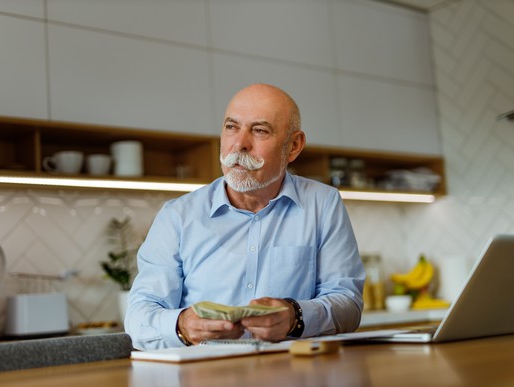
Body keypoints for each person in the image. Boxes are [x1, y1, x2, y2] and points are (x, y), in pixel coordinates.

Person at [126, 84, 365, 350]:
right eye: (231, 127)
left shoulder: (323, 203)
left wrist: (294, 317)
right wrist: (181, 326)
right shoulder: (177, 215)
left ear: (293, 146)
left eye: (260, 130)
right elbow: (138, 317)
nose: (239, 144)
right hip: (205, 376)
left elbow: (349, 304)